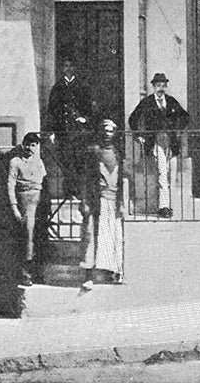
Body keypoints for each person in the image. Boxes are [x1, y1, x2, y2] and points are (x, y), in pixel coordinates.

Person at [128, 72, 190, 218]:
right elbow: (133, 119)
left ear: (166, 86)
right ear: (153, 86)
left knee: (171, 173)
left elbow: (185, 117)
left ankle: (170, 205)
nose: (161, 88)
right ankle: (163, 207)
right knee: (163, 173)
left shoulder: (171, 101)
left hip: (171, 142)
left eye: (163, 85)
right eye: (158, 85)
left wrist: (178, 131)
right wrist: (139, 136)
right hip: (156, 142)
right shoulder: (147, 102)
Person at [79, 119, 125, 291]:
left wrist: (121, 202)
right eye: (104, 130)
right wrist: (84, 201)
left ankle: (113, 272)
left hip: (113, 201)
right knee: (91, 236)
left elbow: (121, 179)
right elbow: (85, 178)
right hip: (95, 200)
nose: (107, 133)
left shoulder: (117, 153)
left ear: (114, 134)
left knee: (113, 237)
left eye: (111, 130)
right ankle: (88, 276)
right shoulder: (93, 152)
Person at [45, 59, 96, 198]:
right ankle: (69, 192)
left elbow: (90, 109)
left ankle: (79, 192)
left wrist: (85, 119)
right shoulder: (58, 87)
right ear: (62, 69)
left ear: (74, 68)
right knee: (66, 162)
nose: (68, 68)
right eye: (65, 66)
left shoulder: (82, 86)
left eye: (70, 66)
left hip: (78, 131)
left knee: (79, 161)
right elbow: (52, 110)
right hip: (63, 131)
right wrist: (51, 131)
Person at [6, 132, 47, 286]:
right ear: (23, 145)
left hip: (39, 201)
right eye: (28, 144)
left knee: (40, 235)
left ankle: (38, 272)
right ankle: (25, 273)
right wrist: (14, 207)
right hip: (24, 201)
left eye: (33, 145)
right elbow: (10, 186)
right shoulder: (15, 162)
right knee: (27, 236)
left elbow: (44, 181)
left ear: (37, 146)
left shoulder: (39, 162)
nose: (30, 148)